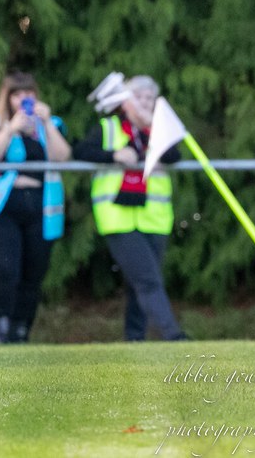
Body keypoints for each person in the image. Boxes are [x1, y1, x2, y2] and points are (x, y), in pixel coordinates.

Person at [74, 75, 187, 342]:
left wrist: (152, 129)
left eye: (150, 98)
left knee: (140, 282)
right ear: (125, 102)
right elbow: (80, 151)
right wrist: (113, 156)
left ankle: (134, 338)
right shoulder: (108, 127)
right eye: (139, 97)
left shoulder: (158, 132)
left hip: (154, 218)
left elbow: (174, 155)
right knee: (147, 279)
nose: (145, 102)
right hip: (118, 217)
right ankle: (173, 335)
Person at [0, 71, 70, 343]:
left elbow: (62, 157)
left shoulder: (51, 124)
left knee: (33, 272)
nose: (24, 100)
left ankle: (21, 329)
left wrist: (47, 124)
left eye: (29, 94)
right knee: (4, 269)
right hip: (0, 208)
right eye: (17, 95)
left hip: (41, 206)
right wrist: (11, 129)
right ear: (7, 98)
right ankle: (0, 328)